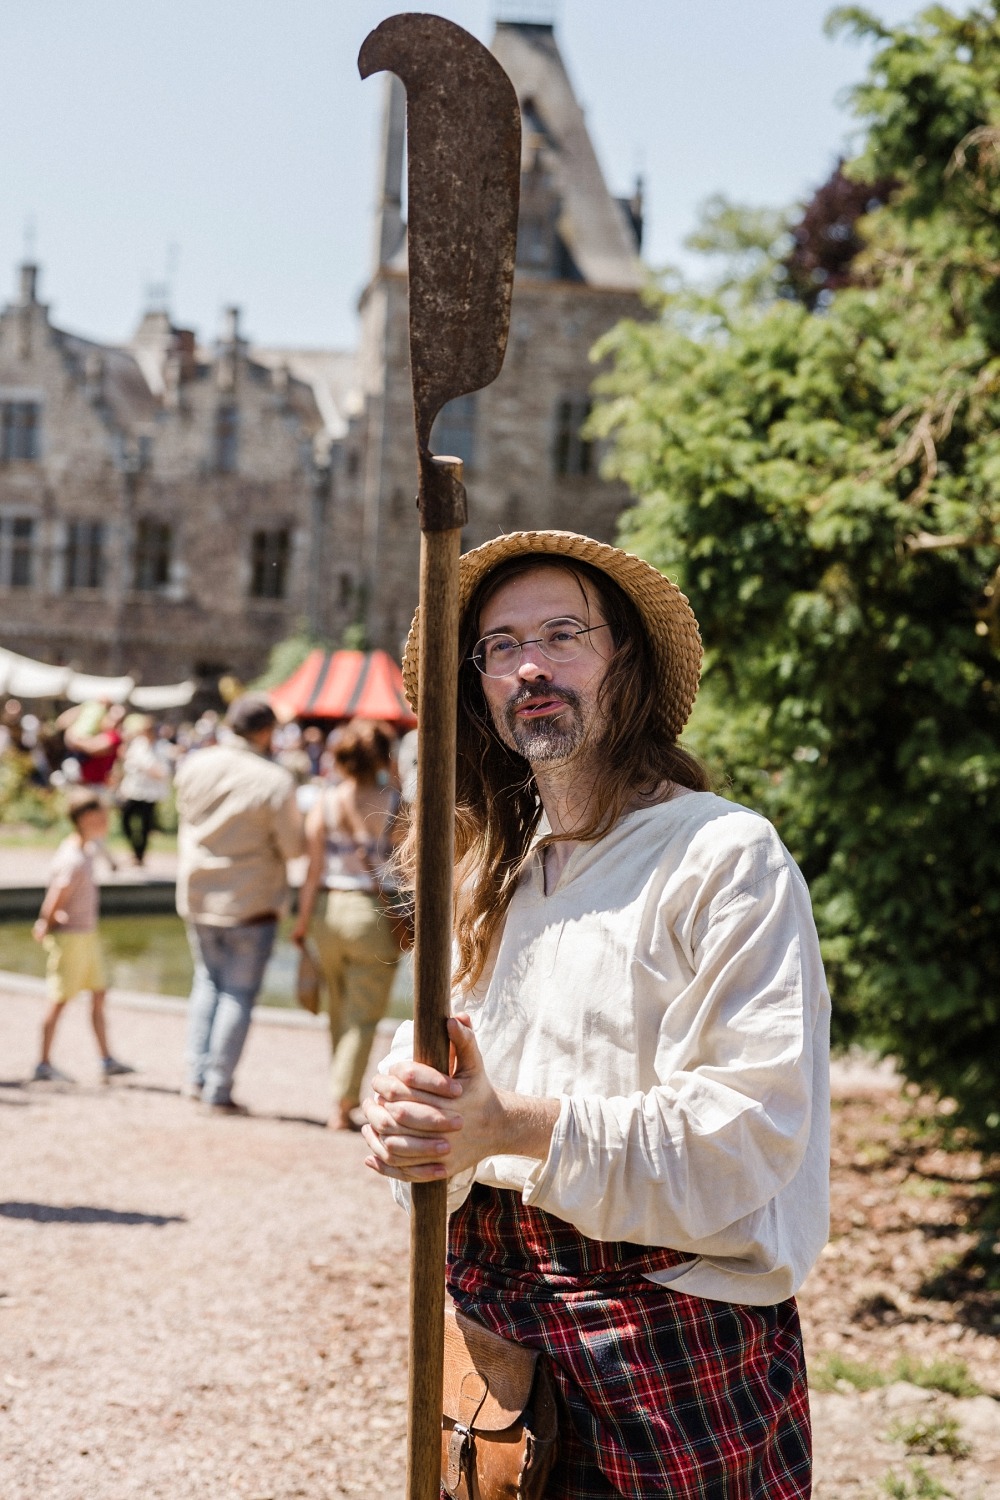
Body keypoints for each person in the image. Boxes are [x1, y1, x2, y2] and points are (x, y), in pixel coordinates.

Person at [362, 531, 830, 1499]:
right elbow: (439, 1082)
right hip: (491, 1328)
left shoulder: (722, 856)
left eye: (561, 634)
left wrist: (511, 1127)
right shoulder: (482, 872)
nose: (528, 665)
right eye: (498, 646)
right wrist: (410, 1120)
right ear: (478, 687)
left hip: (666, 1337)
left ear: (626, 660)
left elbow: (746, 1135)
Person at [175, 694, 305, 1113]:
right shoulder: (273, 779)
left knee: (206, 982)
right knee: (237, 993)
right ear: (265, 732)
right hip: (249, 899)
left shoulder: (194, 764)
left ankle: (196, 1076)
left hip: (198, 893)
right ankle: (217, 1085)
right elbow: (294, 847)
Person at [292, 719, 405, 1130]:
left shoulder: (324, 802)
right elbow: (409, 866)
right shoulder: (395, 802)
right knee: (363, 1013)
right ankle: (342, 1103)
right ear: (381, 756)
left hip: (327, 908)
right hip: (370, 911)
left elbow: (311, 870)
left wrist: (301, 924)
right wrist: (395, 776)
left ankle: (340, 1091)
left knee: (339, 1009)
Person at [31, 787, 134, 1083]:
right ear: (87, 818)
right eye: (102, 816)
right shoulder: (72, 858)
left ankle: (106, 1059)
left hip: (86, 935)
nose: (107, 821)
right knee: (59, 998)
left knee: (99, 992)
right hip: (71, 939)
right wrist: (45, 924)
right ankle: (43, 1063)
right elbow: (55, 898)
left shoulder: (86, 848)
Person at [117, 714, 170, 865]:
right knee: (126, 820)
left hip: (149, 793)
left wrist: (147, 768)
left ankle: (140, 855)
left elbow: (162, 772)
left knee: (146, 826)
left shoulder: (161, 747)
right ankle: (135, 850)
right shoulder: (138, 744)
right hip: (133, 790)